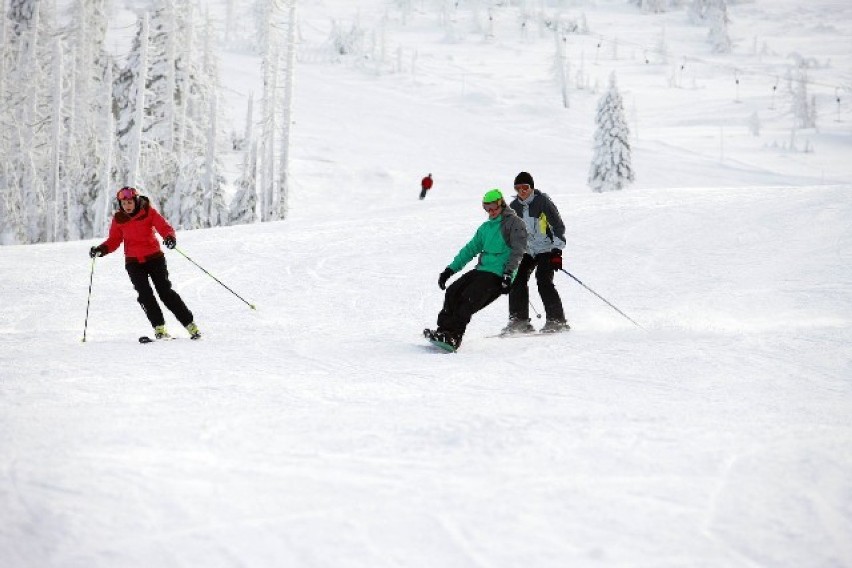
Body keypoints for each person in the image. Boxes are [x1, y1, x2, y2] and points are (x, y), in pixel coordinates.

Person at [89, 186, 201, 340]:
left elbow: (164, 227)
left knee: (165, 293)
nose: (127, 206)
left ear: (135, 201)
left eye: (129, 202)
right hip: (133, 262)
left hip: (154, 258)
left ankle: (191, 325)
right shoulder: (119, 219)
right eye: (124, 203)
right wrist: (101, 249)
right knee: (145, 295)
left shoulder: (148, 212)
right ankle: (159, 329)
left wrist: (169, 237)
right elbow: (114, 240)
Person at [424, 189, 527, 350]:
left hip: (498, 275)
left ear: (501, 204)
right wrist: (450, 270)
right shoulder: (485, 228)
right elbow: (470, 249)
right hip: (481, 271)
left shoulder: (514, 223)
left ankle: (454, 337)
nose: (491, 211)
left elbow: (518, 251)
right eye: (487, 208)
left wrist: (508, 274)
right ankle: (443, 331)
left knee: (467, 298)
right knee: (452, 291)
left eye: (493, 207)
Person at [502, 171, 570, 334]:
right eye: (518, 188)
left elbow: (558, 227)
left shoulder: (543, 203)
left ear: (531, 187)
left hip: (546, 249)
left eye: (525, 187)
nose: (522, 191)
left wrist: (557, 251)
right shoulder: (514, 208)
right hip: (527, 250)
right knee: (517, 279)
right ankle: (519, 321)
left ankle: (557, 320)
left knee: (543, 279)